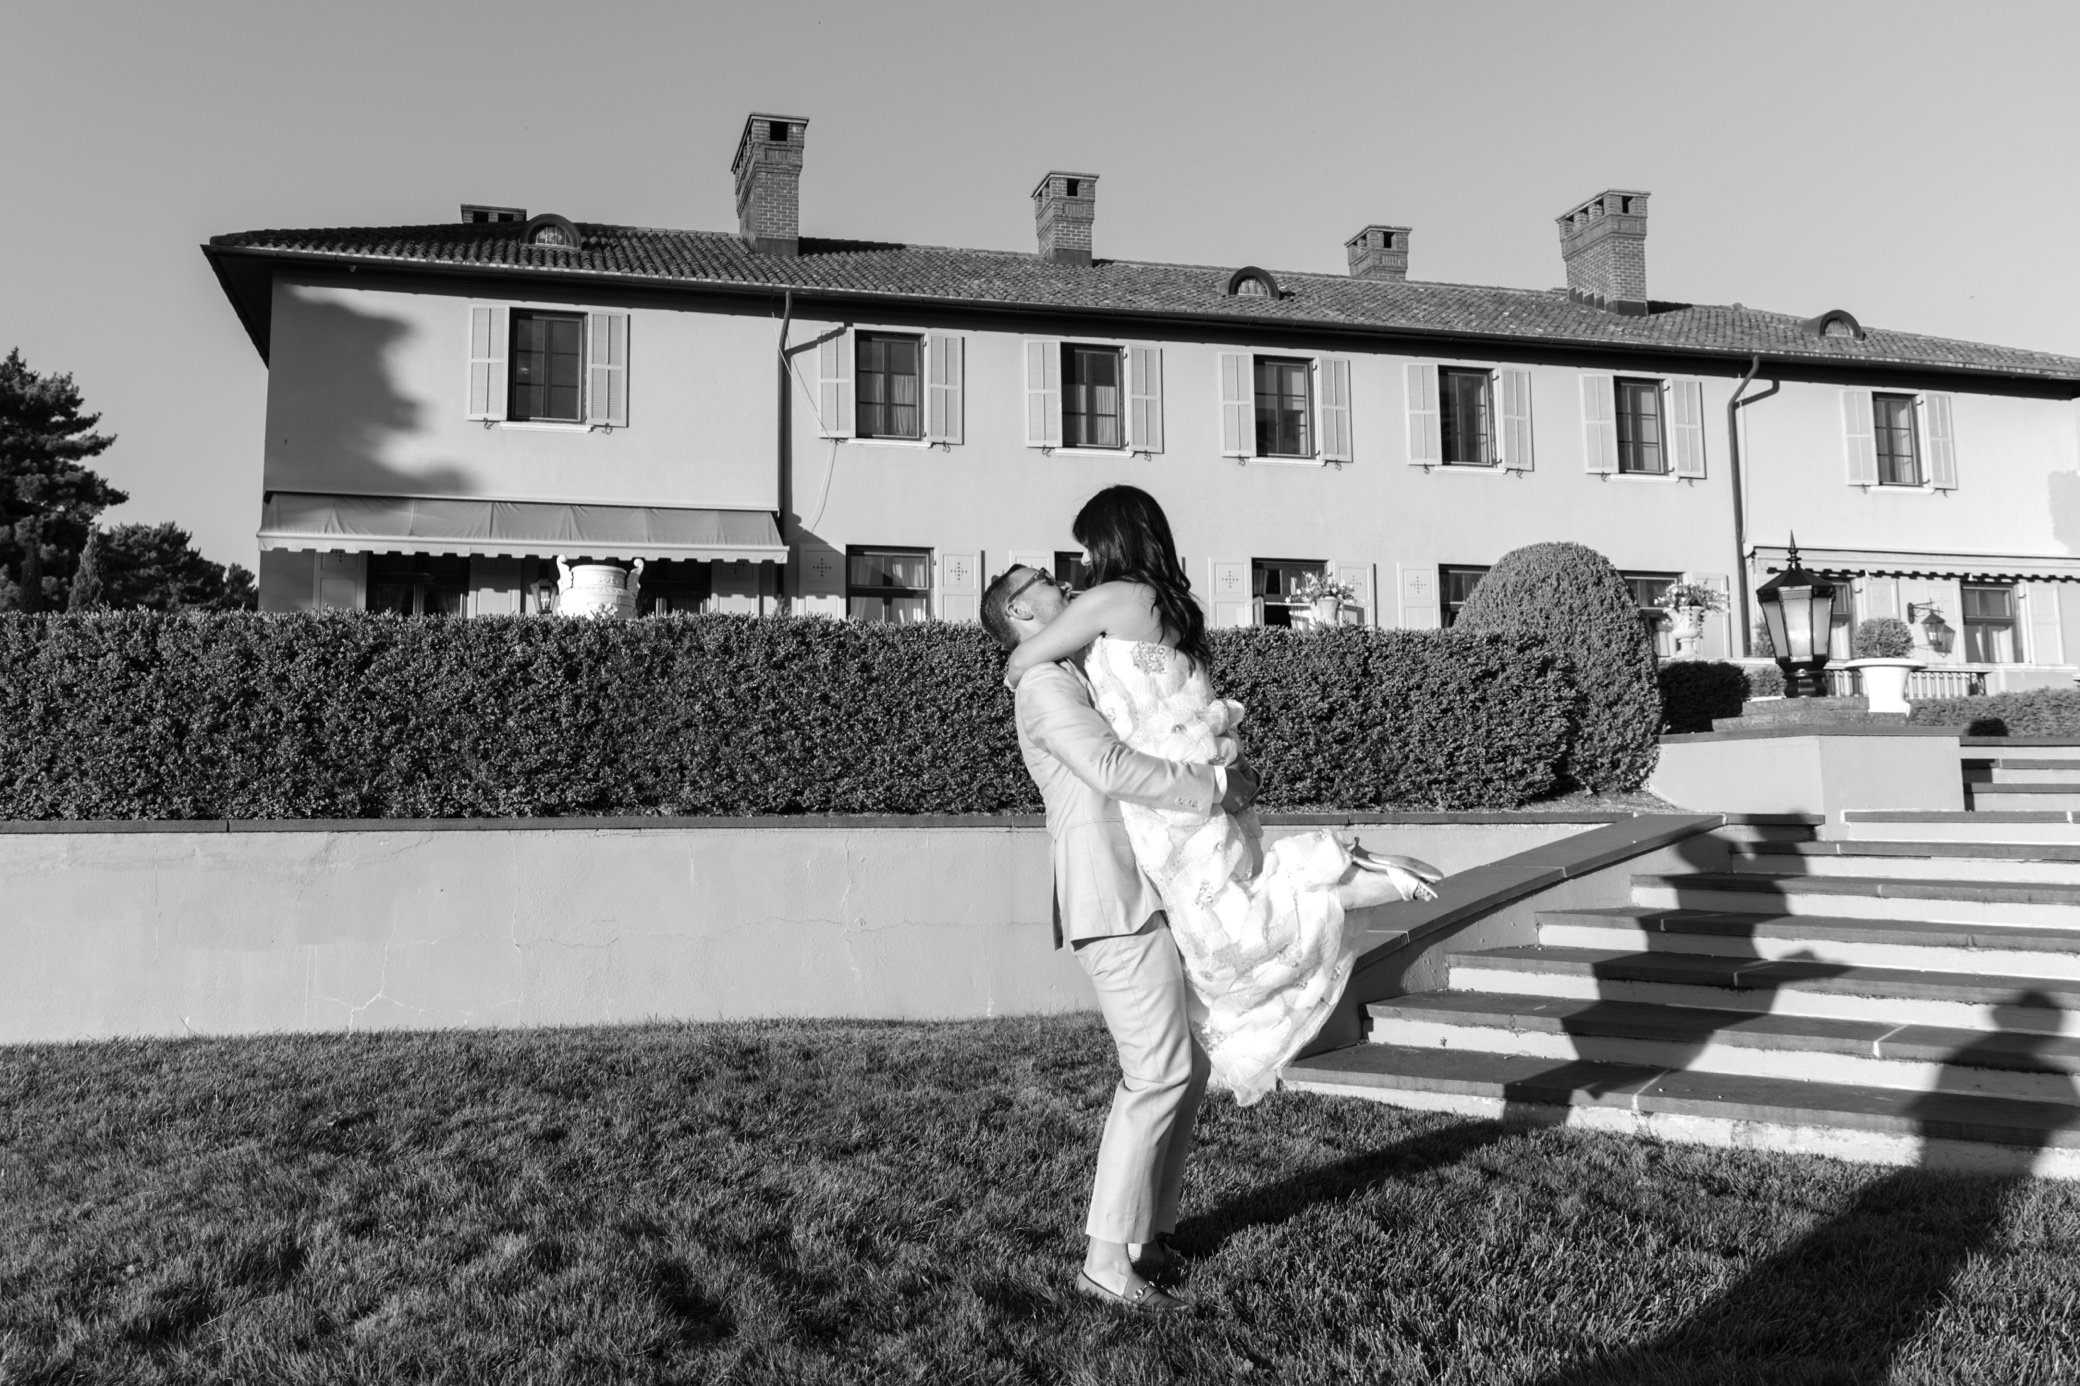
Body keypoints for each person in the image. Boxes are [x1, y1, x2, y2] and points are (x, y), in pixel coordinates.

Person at [1000, 485, 1438, 1112]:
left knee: (1217, 942)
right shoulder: (1165, 603)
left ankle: (1337, 880)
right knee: (1230, 904)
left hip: (1165, 795)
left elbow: (1024, 658)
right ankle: (1338, 880)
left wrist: (1017, 663)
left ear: (1112, 538)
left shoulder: (1109, 598)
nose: (1077, 565)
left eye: (1086, 546)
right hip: (1194, 767)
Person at [982, 560, 1259, 1313]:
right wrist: (1215, 788)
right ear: (1020, 612)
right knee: (1157, 1073)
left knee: (1183, 1069)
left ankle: (1148, 1238)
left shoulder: (1077, 670)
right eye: (1043, 580)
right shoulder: (1042, 686)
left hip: (1144, 890)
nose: (1063, 583)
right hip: (1109, 899)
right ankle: (1105, 1262)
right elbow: (1108, 766)